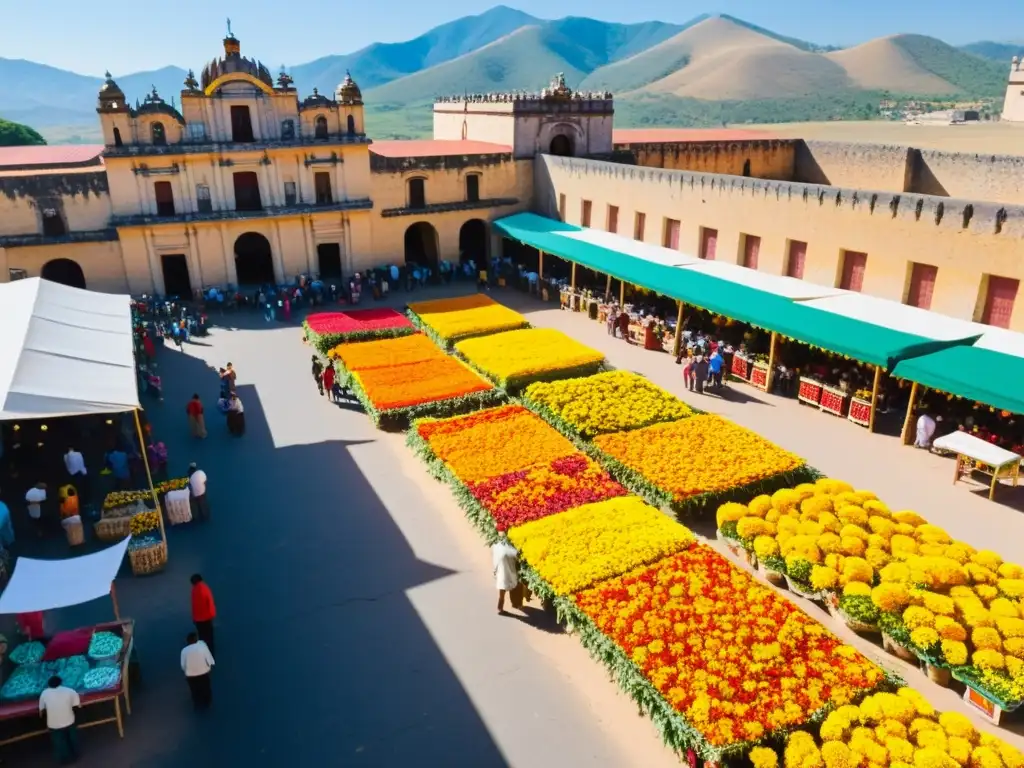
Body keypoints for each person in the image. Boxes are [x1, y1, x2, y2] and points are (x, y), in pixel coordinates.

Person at [39, 675, 80, 764]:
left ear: (49, 685)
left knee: (58, 742)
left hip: (53, 724)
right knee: (72, 738)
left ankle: (63, 759)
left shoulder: (44, 693)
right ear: (61, 683)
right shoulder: (70, 691)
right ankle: (75, 755)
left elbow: (41, 711)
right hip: (69, 720)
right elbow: (77, 706)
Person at [180, 632, 215, 710]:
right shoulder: (202, 647)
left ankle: (197, 703)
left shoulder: (184, 651)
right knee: (206, 687)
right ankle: (207, 702)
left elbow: (183, 665)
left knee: (194, 689)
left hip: (191, 674)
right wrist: (210, 666)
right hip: (203, 672)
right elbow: (209, 658)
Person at [491, 534, 519, 614]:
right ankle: (503, 607)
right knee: (509, 587)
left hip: (501, 573)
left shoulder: (497, 548)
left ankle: (500, 607)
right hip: (508, 571)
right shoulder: (509, 549)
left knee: (502, 590)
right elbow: (516, 555)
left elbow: (495, 560)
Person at [190, 574, 217, 655]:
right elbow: (210, 601)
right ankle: (211, 655)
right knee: (209, 638)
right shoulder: (205, 588)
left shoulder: (194, 590)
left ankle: (203, 654)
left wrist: (194, 618)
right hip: (207, 618)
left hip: (198, 620)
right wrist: (212, 614)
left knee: (202, 638)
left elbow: (194, 606)